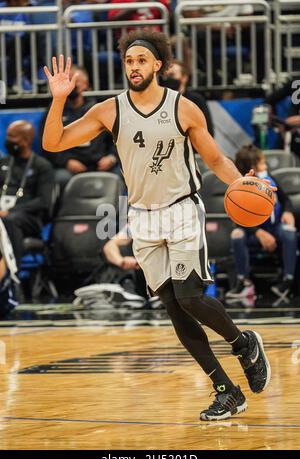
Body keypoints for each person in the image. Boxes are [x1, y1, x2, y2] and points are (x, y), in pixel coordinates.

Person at [42, 30, 271, 421]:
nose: (134, 67)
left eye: (141, 61)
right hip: (143, 217)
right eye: (129, 61)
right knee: (173, 307)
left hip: (181, 210)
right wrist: (59, 99)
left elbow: (215, 160)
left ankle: (242, 342)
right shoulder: (109, 111)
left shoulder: (184, 108)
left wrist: (240, 183)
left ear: (158, 65)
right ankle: (226, 390)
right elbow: (54, 143)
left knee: (190, 297)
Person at [226, 144, 297, 300]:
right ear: (253, 166)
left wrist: (287, 211)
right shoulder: (242, 186)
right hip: (252, 232)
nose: (266, 165)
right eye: (262, 162)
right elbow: (237, 218)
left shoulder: (268, 178)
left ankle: (288, 281)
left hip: (275, 227)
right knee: (237, 234)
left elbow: (285, 200)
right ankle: (244, 283)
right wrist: (258, 232)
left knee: (290, 232)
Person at [39, 65, 118, 189]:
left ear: (85, 84)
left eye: (75, 81)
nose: (71, 85)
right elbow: (46, 144)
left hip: (100, 165)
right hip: (69, 167)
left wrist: (111, 157)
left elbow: (117, 137)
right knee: (60, 178)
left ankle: (124, 209)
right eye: (68, 81)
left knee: (119, 177)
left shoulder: (98, 108)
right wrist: (66, 162)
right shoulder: (55, 109)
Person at [0, 120, 54, 278]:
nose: (8, 140)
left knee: (10, 220)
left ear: (26, 140)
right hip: (2, 215)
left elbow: (44, 201)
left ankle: (12, 273)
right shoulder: (3, 163)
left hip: (28, 218)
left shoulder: (42, 166)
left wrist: (10, 211)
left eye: (12, 137)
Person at [161, 59, 214, 137]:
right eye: (165, 76)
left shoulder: (195, 100)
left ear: (184, 78)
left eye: (172, 75)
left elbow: (207, 131)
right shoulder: (159, 100)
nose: (167, 79)